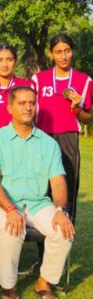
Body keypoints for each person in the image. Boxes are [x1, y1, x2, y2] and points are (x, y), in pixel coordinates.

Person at [0, 86, 74, 299]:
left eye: (32, 102)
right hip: (4, 203)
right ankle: (8, 285)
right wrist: (11, 210)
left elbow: (58, 181)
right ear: (10, 107)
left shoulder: (48, 144)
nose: (28, 107)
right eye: (22, 103)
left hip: (38, 202)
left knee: (64, 231)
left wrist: (61, 211)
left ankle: (44, 281)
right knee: (13, 229)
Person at [31, 33, 92, 223]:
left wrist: (77, 109)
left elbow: (88, 118)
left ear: (72, 51)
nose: (63, 56)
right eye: (58, 52)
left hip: (68, 138)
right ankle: (43, 242)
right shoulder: (39, 79)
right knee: (42, 187)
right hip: (42, 137)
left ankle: (66, 236)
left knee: (68, 186)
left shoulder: (85, 81)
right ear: (51, 54)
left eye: (67, 51)